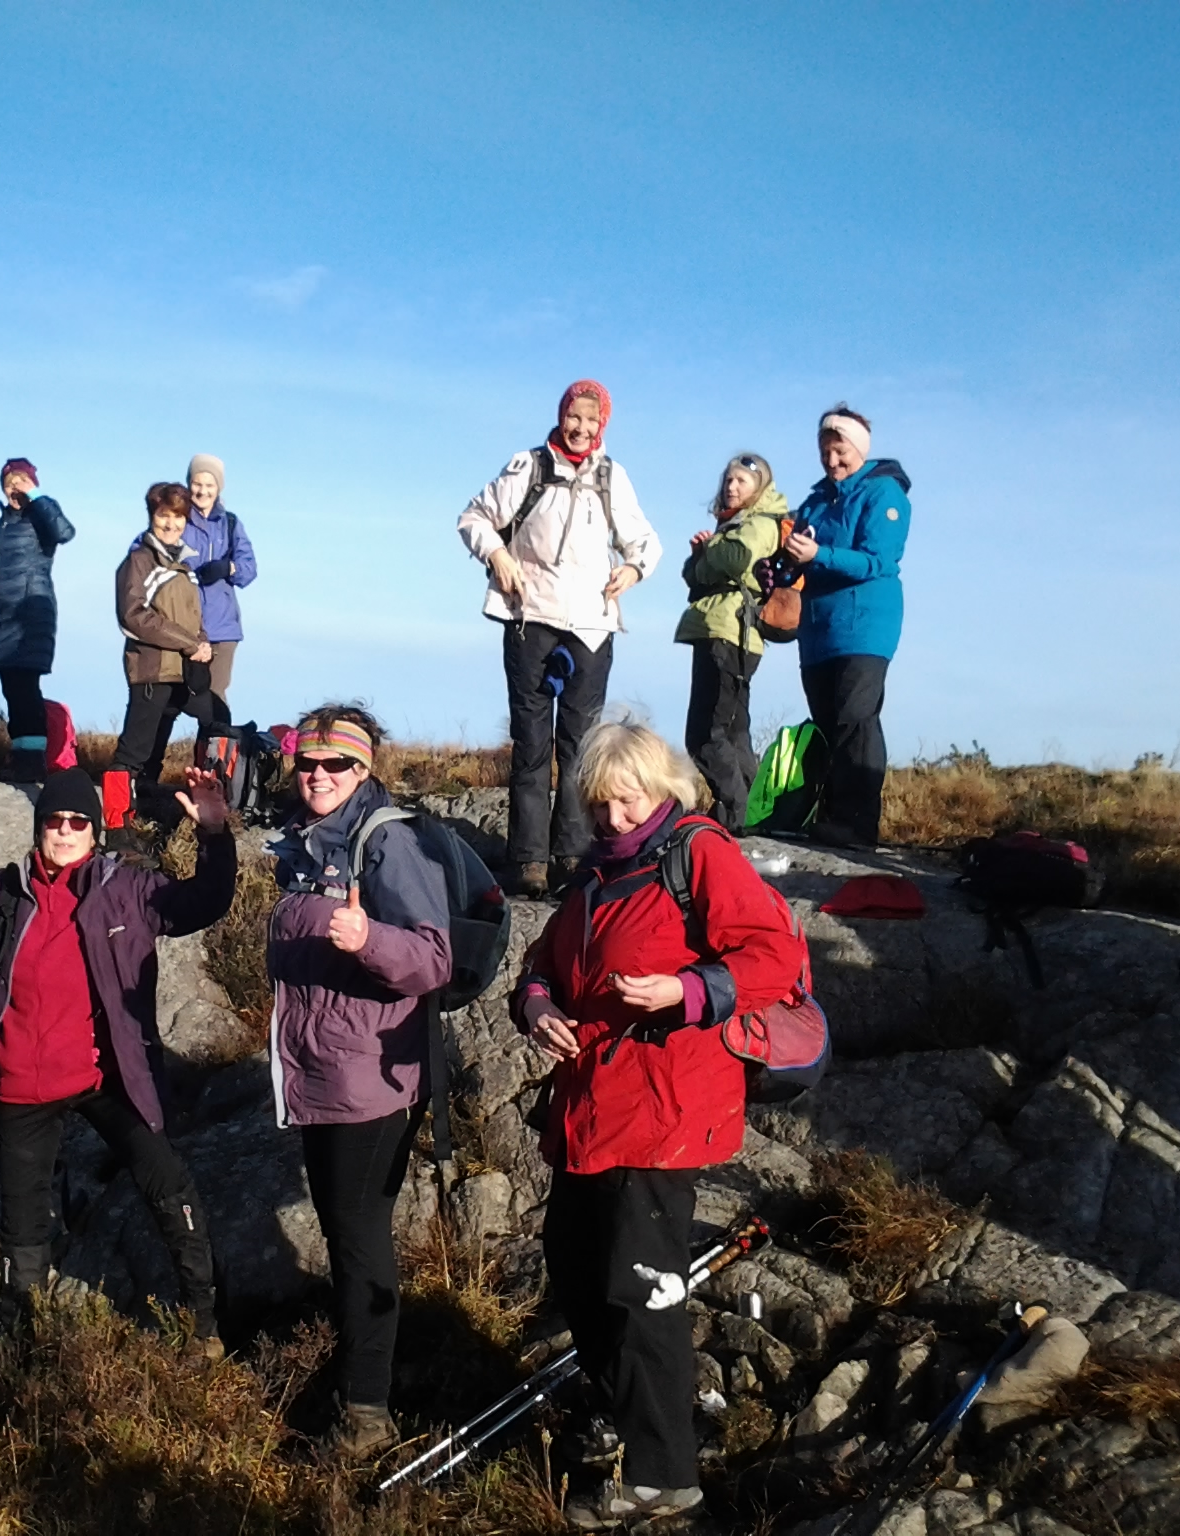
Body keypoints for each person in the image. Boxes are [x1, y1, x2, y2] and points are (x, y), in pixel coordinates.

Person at [510, 722, 802, 1529]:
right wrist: (535, 1005)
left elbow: (778, 956)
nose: (609, 818)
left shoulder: (697, 853)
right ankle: (617, 1413)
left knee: (641, 1293)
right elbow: (541, 967)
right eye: (597, 804)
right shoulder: (596, 875)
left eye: (624, 800)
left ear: (660, 789)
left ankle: (664, 1475)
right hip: (588, 1112)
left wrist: (687, 991)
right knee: (574, 1269)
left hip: (666, 1111)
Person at [0, 765, 238, 1355]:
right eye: (54, 821)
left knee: (168, 1183)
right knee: (24, 1226)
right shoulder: (0, 895)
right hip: (24, 1086)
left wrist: (214, 832)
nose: (64, 831)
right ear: (39, 828)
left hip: (107, 1075)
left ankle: (203, 1325)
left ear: (94, 832)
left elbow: (204, 902)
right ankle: (24, 1346)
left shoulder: (127, 891)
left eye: (78, 822)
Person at [265, 705, 450, 1458]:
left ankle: (366, 1416)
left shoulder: (388, 843)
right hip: (321, 1073)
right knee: (346, 1236)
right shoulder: (308, 845)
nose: (317, 775)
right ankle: (356, 1388)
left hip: (371, 1081)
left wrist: (370, 938)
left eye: (335, 765)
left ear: (364, 769)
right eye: (307, 762)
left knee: (360, 1241)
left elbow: (433, 958)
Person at [457, 380, 662, 899]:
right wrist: (498, 556)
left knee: (581, 746)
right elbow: (474, 517)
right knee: (531, 742)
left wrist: (633, 571)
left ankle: (572, 855)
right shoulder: (527, 466)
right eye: (575, 416)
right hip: (529, 616)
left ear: (603, 425)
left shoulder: (612, 477)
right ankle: (527, 858)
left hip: (592, 626)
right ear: (561, 415)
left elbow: (645, 541)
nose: (581, 428)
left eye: (592, 421)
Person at [781, 405, 912, 847]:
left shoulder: (883, 494)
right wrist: (777, 569)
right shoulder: (815, 501)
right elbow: (795, 560)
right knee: (827, 722)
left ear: (858, 449)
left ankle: (858, 823)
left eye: (840, 451)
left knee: (855, 720)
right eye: (825, 451)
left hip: (864, 626)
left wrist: (817, 556)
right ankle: (831, 815)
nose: (832, 460)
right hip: (818, 630)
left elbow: (880, 560)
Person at [675, 453, 791, 833]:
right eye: (728, 480)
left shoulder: (759, 523)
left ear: (760, 488)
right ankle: (753, 813)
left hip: (729, 632)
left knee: (704, 734)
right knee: (734, 730)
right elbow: (692, 576)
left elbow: (734, 559)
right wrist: (702, 558)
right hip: (725, 631)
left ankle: (735, 812)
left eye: (741, 481)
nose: (731, 487)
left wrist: (708, 555)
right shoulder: (733, 525)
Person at [110, 482, 228, 788]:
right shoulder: (139, 560)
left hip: (183, 672)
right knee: (134, 751)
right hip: (152, 671)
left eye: (178, 517)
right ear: (152, 515)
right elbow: (132, 617)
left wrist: (202, 643)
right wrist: (190, 644)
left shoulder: (184, 565)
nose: (171, 524)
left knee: (217, 717)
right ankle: (116, 818)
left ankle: (208, 792)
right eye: (165, 515)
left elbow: (191, 616)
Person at [0, 457, 76, 782]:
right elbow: (6, 563)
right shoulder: (6, 521)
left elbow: (65, 532)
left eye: (21, 480)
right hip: (4, 615)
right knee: (11, 687)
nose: (14, 487)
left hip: (31, 614)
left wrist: (37, 498)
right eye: (9, 481)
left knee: (25, 687)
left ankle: (33, 760)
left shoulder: (41, 513)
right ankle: (20, 754)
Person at [181, 453, 257, 704]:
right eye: (197, 484)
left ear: (218, 488)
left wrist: (228, 568)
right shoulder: (176, 519)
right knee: (172, 700)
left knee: (214, 701)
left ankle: (215, 744)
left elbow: (249, 569)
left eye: (209, 485)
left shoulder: (231, 524)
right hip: (182, 626)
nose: (202, 491)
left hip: (222, 629)